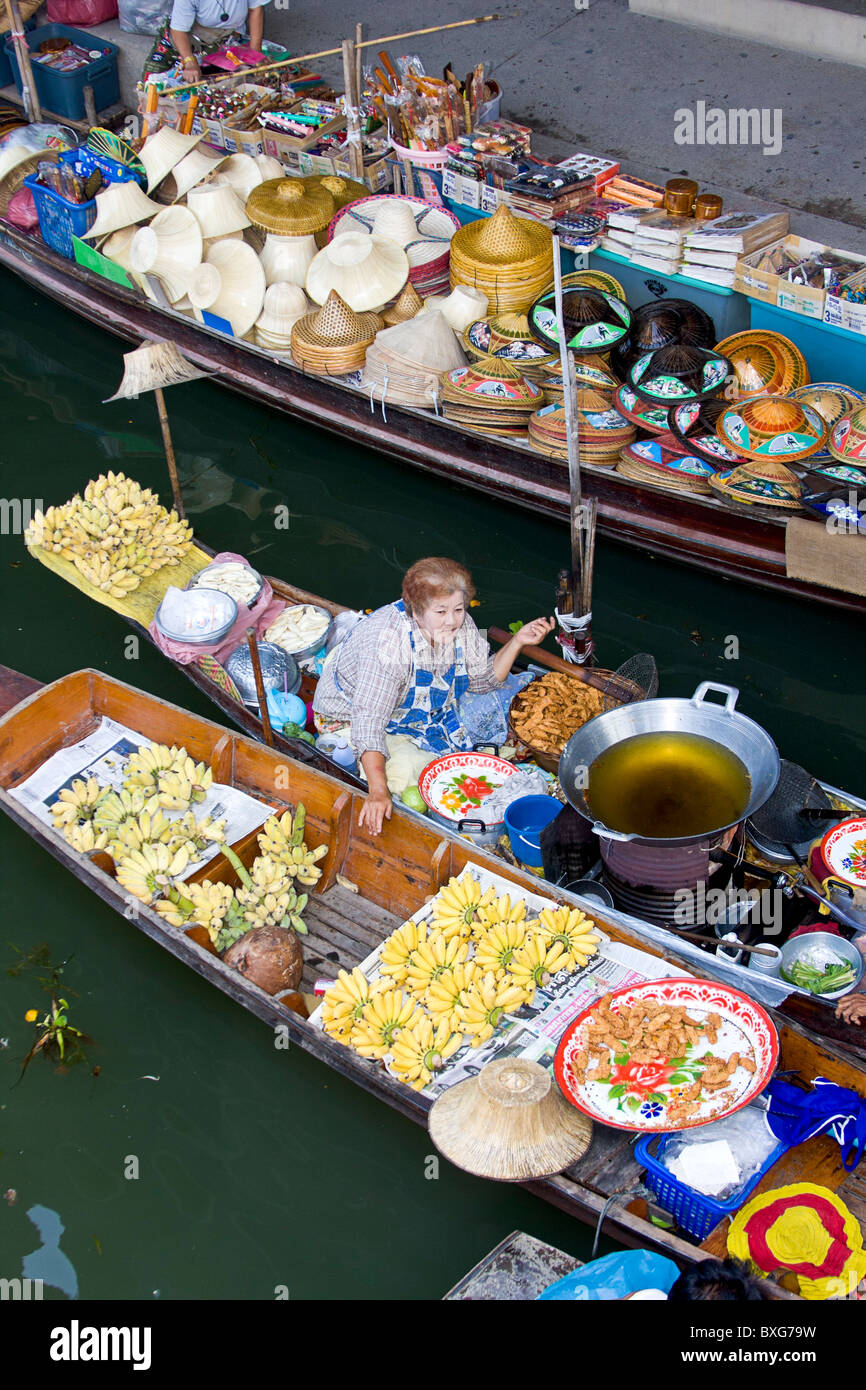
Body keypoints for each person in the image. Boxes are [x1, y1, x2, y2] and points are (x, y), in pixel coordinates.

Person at [313, 556, 555, 835]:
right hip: (350, 716)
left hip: (412, 708)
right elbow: (368, 725)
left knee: (496, 709)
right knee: (416, 776)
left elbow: (483, 680)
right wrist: (377, 792)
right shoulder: (387, 650)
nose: (451, 621)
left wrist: (518, 641)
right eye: (440, 612)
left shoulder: (460, 625)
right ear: (416, 612)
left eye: (458, 609)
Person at [169, 0, 269, 81]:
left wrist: (255, 53)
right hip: (194, 35)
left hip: (227, 36)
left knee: (226, 74)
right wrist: (189, 62)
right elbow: (178, 30)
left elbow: (256, 9)